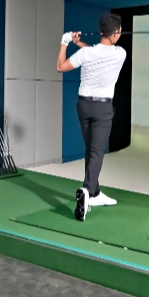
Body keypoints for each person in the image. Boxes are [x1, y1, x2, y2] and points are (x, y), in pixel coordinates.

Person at [56, 13, 127, 221]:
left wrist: (66, 41)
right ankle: (86, 191)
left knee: (91, 149)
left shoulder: (86, 53)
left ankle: (95, 193)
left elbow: (60, 66)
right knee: (97, 151)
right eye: (119, 31)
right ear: (114, 34)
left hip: (84, 106)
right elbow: (100, 54)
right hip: (102, 108)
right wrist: (79, 44)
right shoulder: (120, 54)